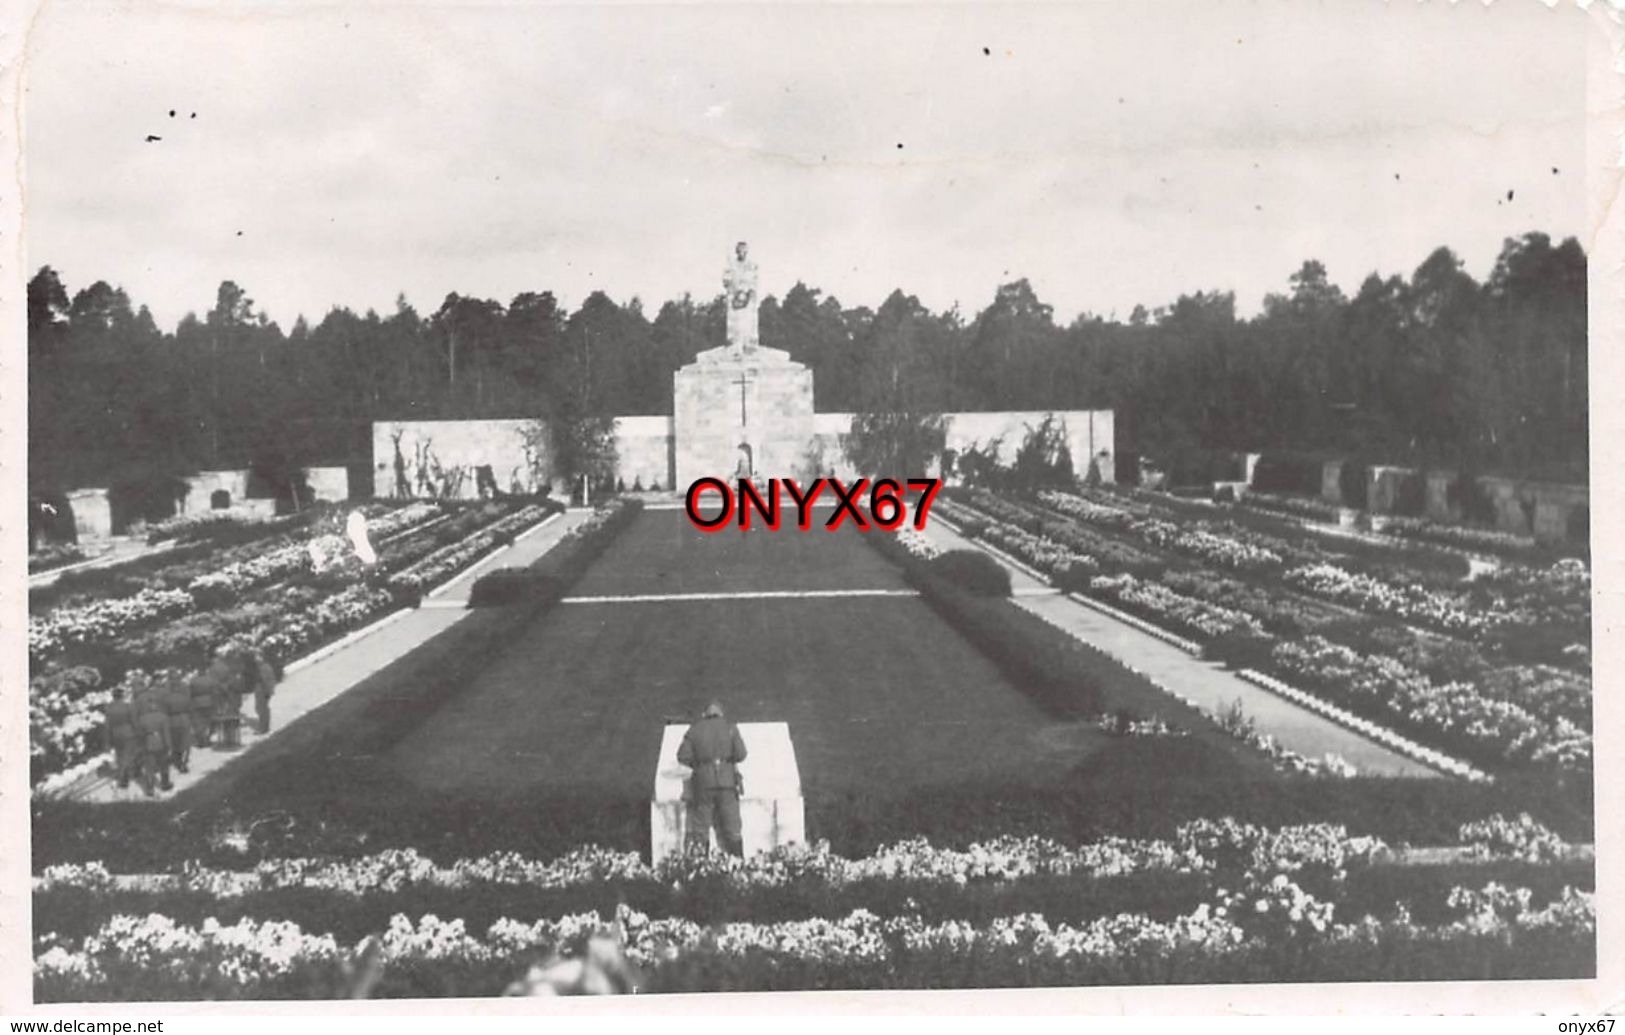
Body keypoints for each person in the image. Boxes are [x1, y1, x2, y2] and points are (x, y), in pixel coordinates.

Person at [676, 701, 748, 857]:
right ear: (721, 713)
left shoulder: (695, 730)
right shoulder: (730, 728)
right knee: (733, 826)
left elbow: (683, 756)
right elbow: (741, 754)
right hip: (727, 782)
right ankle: (737, 862)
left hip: (703, 783)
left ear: (705, 714)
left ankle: (701, 866)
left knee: (701, 827)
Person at [134, 689, 172, 796]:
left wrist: (142, 745)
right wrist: (168, 745)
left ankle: (150, 788)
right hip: (160, 743)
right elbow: (166, 733)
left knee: (149, 767)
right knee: (163, 764)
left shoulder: (142, 719)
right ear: (157, 705)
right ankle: (165, 784)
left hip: (148, 743)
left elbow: (140, 735)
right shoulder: (162, 717)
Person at [102, 685, 138, 789]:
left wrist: (107, 741)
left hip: (116, 734)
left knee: (120, 756)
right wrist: (137, 731)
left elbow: (107, 725)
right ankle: (124, 778)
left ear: (113, 696)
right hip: (128, 733)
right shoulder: (127, 706)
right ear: (122, 696)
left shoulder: (109, 708)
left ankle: (124, 776)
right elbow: (133, 721)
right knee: (128, 755)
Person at [162, 673, 194, 774]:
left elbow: (164, 712)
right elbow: (190, 709)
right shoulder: (185, 698)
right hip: (184, 720)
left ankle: (178, 761)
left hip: (172, 721)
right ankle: (183, 764)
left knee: (175, 743)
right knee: (186, 743)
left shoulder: (167, 699)